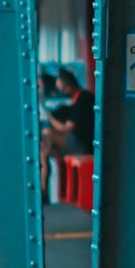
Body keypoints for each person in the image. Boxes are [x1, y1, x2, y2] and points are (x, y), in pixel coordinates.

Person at [41, 65, 94, 195]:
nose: (61, 92)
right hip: (77, 142)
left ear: (68, 86)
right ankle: (43, 188)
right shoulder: (77, 99)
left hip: (84, 145)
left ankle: (42, 190)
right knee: (44, 151)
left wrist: (49, 117)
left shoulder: (83, 99)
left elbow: (66, 128)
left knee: (47, 135)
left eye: (62, 89)